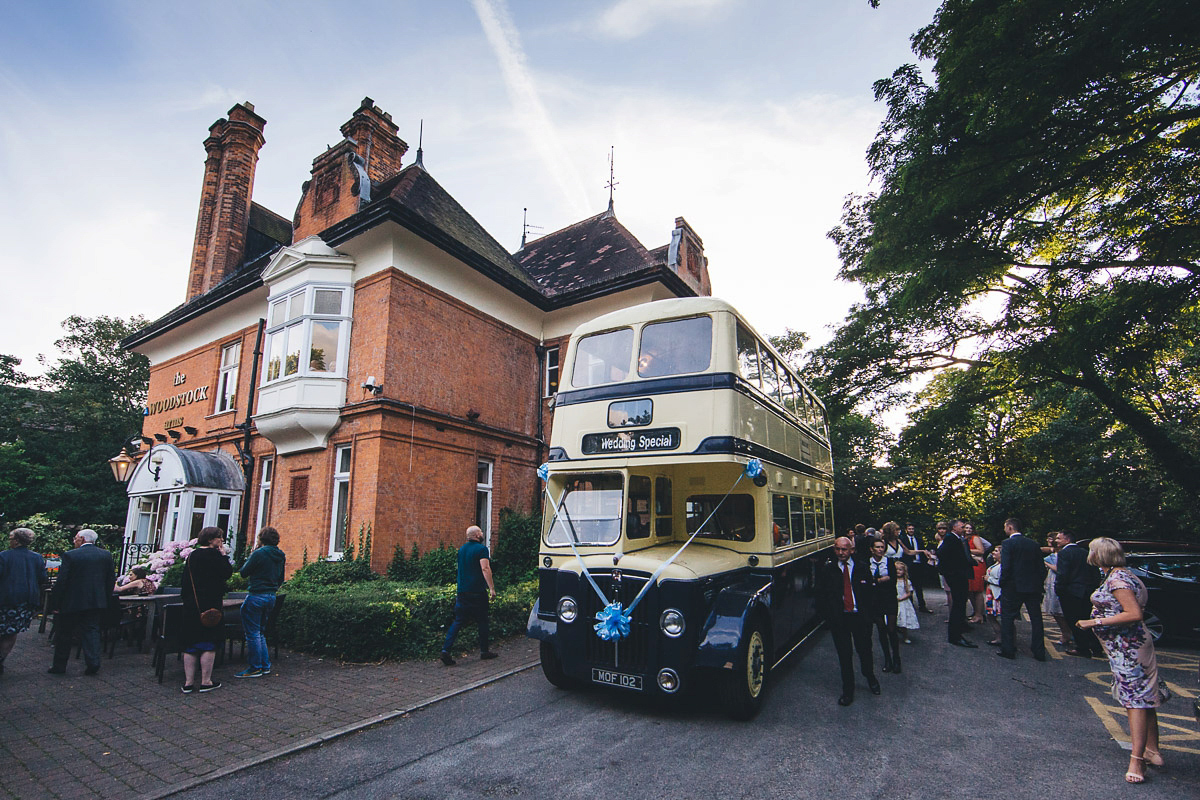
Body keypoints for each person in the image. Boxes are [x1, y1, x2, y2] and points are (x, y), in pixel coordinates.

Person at [1076, 538, 1169, 784]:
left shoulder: (1118, 580)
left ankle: (1137, 761)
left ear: (1098, 555)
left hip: (1129, 648)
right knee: (1144, 698)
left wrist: (1093, 622)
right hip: (1129, 646)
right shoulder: (1124, 574)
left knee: (1135, 701)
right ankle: (1153, 751)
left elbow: (1134, 614)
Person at [815, 537, 880, 706]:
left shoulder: (862, 568)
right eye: (837, 549)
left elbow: (871, 595)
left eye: (844, 549)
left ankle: (870, 676)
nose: (841, 553)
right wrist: (828, 617)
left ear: (852, 550)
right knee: (844, 655)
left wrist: (870, 616)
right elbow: (822, 595)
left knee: (865, 650)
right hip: (840, 618)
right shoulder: (829, 570)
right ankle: (848, 690)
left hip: (859, 617)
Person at [48, 529, 115, 676]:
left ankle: (59, 666)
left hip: (72, 602)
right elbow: (110, 580)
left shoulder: (71, 555)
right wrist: (104, 597)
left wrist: (56, 603)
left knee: (64, 633)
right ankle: (93, 663)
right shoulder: (105, 555)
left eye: (76, 538)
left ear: (83, 539)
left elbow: (62, 581)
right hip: (95, 601)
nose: (74, 541)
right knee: (91, 631)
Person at [180, 527, 233, 693]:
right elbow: (226, 573)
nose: (221, 540)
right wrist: (224, 556)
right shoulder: (215, 556)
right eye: (219, 538)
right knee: (209, 643)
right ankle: (206, 681)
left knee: (191, 643)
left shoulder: (192, 555)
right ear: (211, 540)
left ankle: (188, 683)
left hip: (191, 605)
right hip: (211, 604)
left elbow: (185, 581)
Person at [440, 526, 498, 666]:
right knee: (482, 621)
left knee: (458, 621)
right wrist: (491, 588)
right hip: (477, 592)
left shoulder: (461, 550)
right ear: (477, 535)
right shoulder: (481, 549)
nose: (483, 533)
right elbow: (485, 568)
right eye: (481, 532)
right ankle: (484, 651)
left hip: (462, 592)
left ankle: (445, 650)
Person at [235, 526, 286, 679]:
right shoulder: (280, 555)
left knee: (252, 633)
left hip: (257, 595)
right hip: (271, 596)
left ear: (261, 538)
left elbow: (243, 572)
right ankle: (265, 665)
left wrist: (252, 554)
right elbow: (281, 578)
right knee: (260, 632)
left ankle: (255, 667)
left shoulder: (259, 554)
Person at [997, 518, 1047, 660]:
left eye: (1005, 527)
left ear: (1010, 527)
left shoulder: (1008, 543)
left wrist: (1003, 582)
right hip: (1032, 587)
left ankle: (1008, 649)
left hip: (1013, 587)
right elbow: (1041, 568)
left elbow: (1006, 566)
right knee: (1036, 619)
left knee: (1007, 617)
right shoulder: (1034, 544)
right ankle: (1039, 651)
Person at [0, 528, 48, 675]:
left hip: (5, 598)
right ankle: (1, 659)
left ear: (16, 540)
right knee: (12, 631)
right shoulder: (37, 558)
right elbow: (43, 579)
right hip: (25, 600)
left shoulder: (4, 556)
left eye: (11, 538)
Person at [1055, 529, 1102, 658]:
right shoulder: (1085, 552)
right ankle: (1096, 647)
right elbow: (1095, 573)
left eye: (1059, 538)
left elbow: (1062, 574)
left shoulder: (1064, 554)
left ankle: (1082, 648)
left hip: (1071, 592)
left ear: (1067, 539)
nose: (1056, 541)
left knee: (1074, 621)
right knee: (1088, 619)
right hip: (1086, 591)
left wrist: (1059, 590)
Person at [936, 519, 977, 648]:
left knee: (960, 604)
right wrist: (951, 572)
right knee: (958, 605)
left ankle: (959, 630)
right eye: (962, 526)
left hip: (960, 575)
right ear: (954, 528)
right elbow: (941, 554)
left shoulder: (957, 538)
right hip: (956, 576)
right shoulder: (950, 538)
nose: (964, 528)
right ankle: (955, 636)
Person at [867, 537, 902, 673]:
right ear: (872, 549)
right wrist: (880, 580)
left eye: (882, 547)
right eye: (877, 547)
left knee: (891, 629)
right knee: (881, 629)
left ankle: (896, 658)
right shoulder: (866, 563)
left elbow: (892, 580)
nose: (880, 550)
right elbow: (867, 582)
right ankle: (887, 658)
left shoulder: (889, 562)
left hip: (889, 598)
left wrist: (876, 582)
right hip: (875, 600)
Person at [1042, 532, 1072, 646]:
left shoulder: (1062, 553)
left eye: (1052, 539)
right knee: (1054, 610)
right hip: (1050, 580)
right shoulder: (1054, 551)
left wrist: (1046, 563)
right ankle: (1066, 632)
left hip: (1056, 579)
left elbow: (1058, 568)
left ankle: (1066, 634)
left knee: (1058, 610)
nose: (1049, 541)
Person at [899, 522, 933, 613]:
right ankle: (910, 605)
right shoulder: (902, 539)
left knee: (919, 586)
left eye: (912, 529)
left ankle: (922, 605)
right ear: (906, 530)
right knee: (908, 584)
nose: (911, 530)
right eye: (909, 529)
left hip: (918, 564)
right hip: (908, 564)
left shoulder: (918, 539)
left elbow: (922, 551)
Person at [964, 522, 988, 624]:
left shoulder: (975, 538)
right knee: (969, 590)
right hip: (969, 566)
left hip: (977, 566)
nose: (968, 530)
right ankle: (977, 612)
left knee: (977, 590)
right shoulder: (964, 538)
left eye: (970, 528)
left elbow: (981, 551)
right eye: (966, 528)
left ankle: (979, 615)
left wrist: (966, 549)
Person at [894, 560, 919, 643]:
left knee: (904, 620)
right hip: (894, 602)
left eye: (900, 569)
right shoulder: (893, 580)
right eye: (896, 569)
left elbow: (909, 593)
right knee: (894, 620)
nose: (898, 571)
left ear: (904, 571)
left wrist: (901, 598)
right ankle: (894, 635)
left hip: (903, 602)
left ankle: (905, 636)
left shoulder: (906, 582)